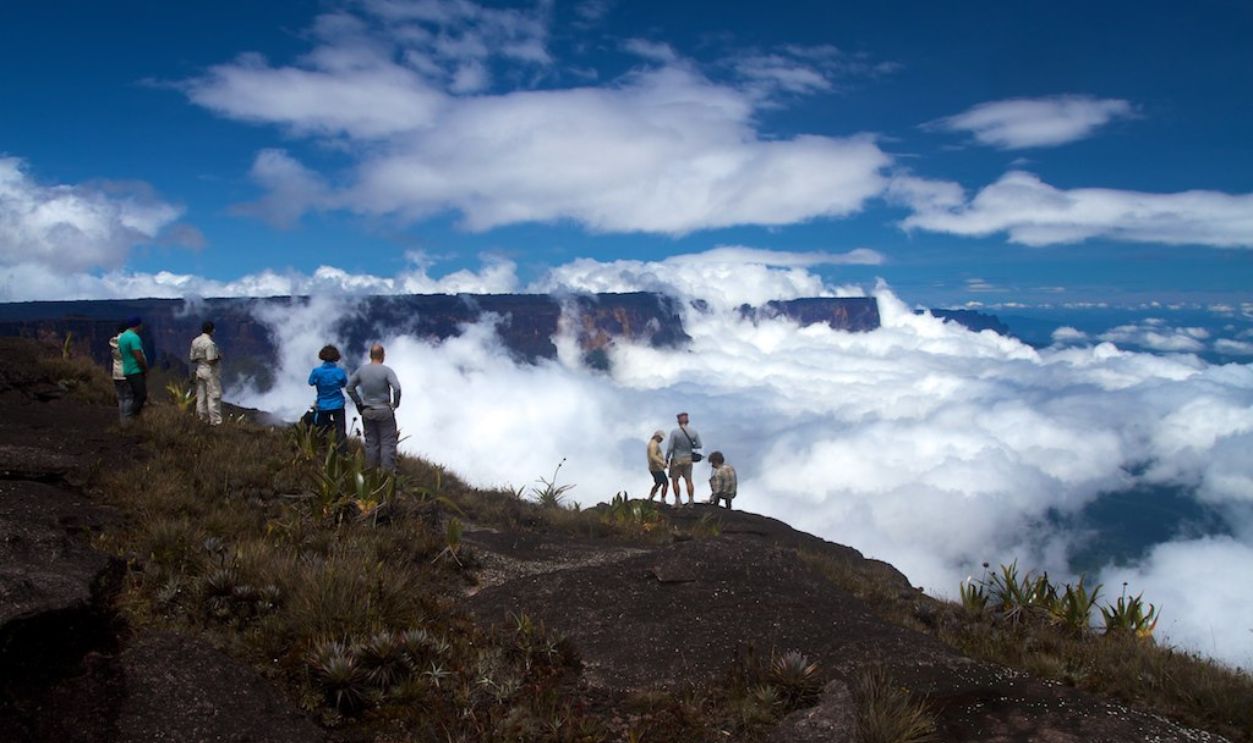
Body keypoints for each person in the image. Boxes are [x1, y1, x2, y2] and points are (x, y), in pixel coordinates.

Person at [346, 343, 402, 472]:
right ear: (383, 355)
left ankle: (370, 474)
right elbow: (397, 388)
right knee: (387, 443)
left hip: (367, 411)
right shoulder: (387, 371)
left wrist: (359, 403)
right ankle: (387, 475)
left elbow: (349, 387)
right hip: (384, 410)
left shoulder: (361, 371)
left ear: (370, 355)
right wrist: (395, 404)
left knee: (371, 443)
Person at [308, 344, 348, 454]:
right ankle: (341, 454)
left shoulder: (317, 371)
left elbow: (311, 382)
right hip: (338, 404)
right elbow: (344, 384)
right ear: (336, 357)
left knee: (322, 430)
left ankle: (323, 452)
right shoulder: (339, 372)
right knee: (340, 430)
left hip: (323, 404)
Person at [189, 320, 223, 426]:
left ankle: (201, 419)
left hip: (200, 370)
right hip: (210, 372)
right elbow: (211, 360)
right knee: (213, 396)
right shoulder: (210, 344)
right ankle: (215, 422)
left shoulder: (195, 341)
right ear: (212, 330)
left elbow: (192, 359)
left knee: (201, 396)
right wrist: (218, 357)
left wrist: (201, 359)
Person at [665, 412, 703, 506]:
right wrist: (690, 446)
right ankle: (691, 500)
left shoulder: (674, 432)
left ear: (678, 421)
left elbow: (670, 447)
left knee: (675, 480)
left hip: (677, 459)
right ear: (687, 421)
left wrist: (666, 458)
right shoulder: (694, 432)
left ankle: (678, 500)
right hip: (688, 459)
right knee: (688, 480)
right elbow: (699, 445)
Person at [116, 316, 148, 421]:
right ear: (138, 325)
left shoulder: (123, 337)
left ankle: (128, 419)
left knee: (130, 396)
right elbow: (138, 356)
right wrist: (145, 368)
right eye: (141, 324)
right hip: (135, 371)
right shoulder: (134, 338)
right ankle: (131, 416)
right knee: (141, 395)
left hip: (126, 369)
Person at [108, 322, 133, 423]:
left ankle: (122, 421)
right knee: (128, 397)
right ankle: (128, 421)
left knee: (121, 398)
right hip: (127, 373)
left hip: (116, 374)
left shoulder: (113, 342)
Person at [646, 430, 670, 503]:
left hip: (654, 467)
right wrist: (662, 463)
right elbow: (653, 456)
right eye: (661, 438)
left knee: (658, 483)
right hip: (657, 468)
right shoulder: (653, 444)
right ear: (657, 436)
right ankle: (662, 500)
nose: (662, 440)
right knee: (665, 483)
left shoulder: (652, 443)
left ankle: (650, 497)